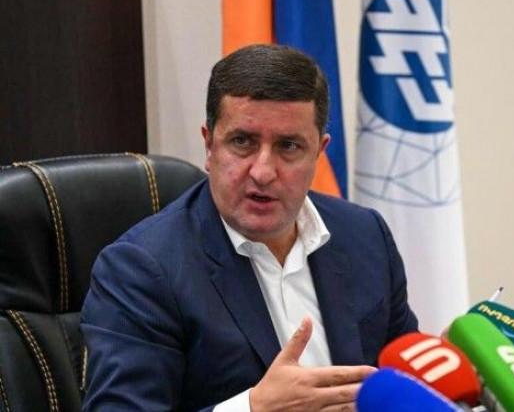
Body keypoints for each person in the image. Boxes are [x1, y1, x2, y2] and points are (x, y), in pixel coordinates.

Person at [80, 44, 419, 411]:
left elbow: (406, 381)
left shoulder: (365, 235)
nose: (263, 172)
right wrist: (253, 408)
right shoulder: (142, 270)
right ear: (209, 145)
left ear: (318, 153)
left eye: (288, 146)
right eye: (242, 142)